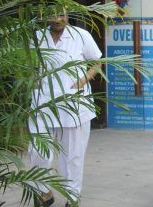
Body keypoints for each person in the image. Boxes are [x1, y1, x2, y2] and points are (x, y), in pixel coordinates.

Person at [28, 11, 102, 207]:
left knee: (73, 155)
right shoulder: (37, 37)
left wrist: (83, 81)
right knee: (37, 150)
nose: (57, 19)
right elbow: (29, 65)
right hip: (41, 103)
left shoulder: (80, 35)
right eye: (52, 15)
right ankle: (43, 191)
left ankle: (72, 196)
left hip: (74, 104)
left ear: (68, 15)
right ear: (43, 15)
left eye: (61, 15)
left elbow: (97, 61)